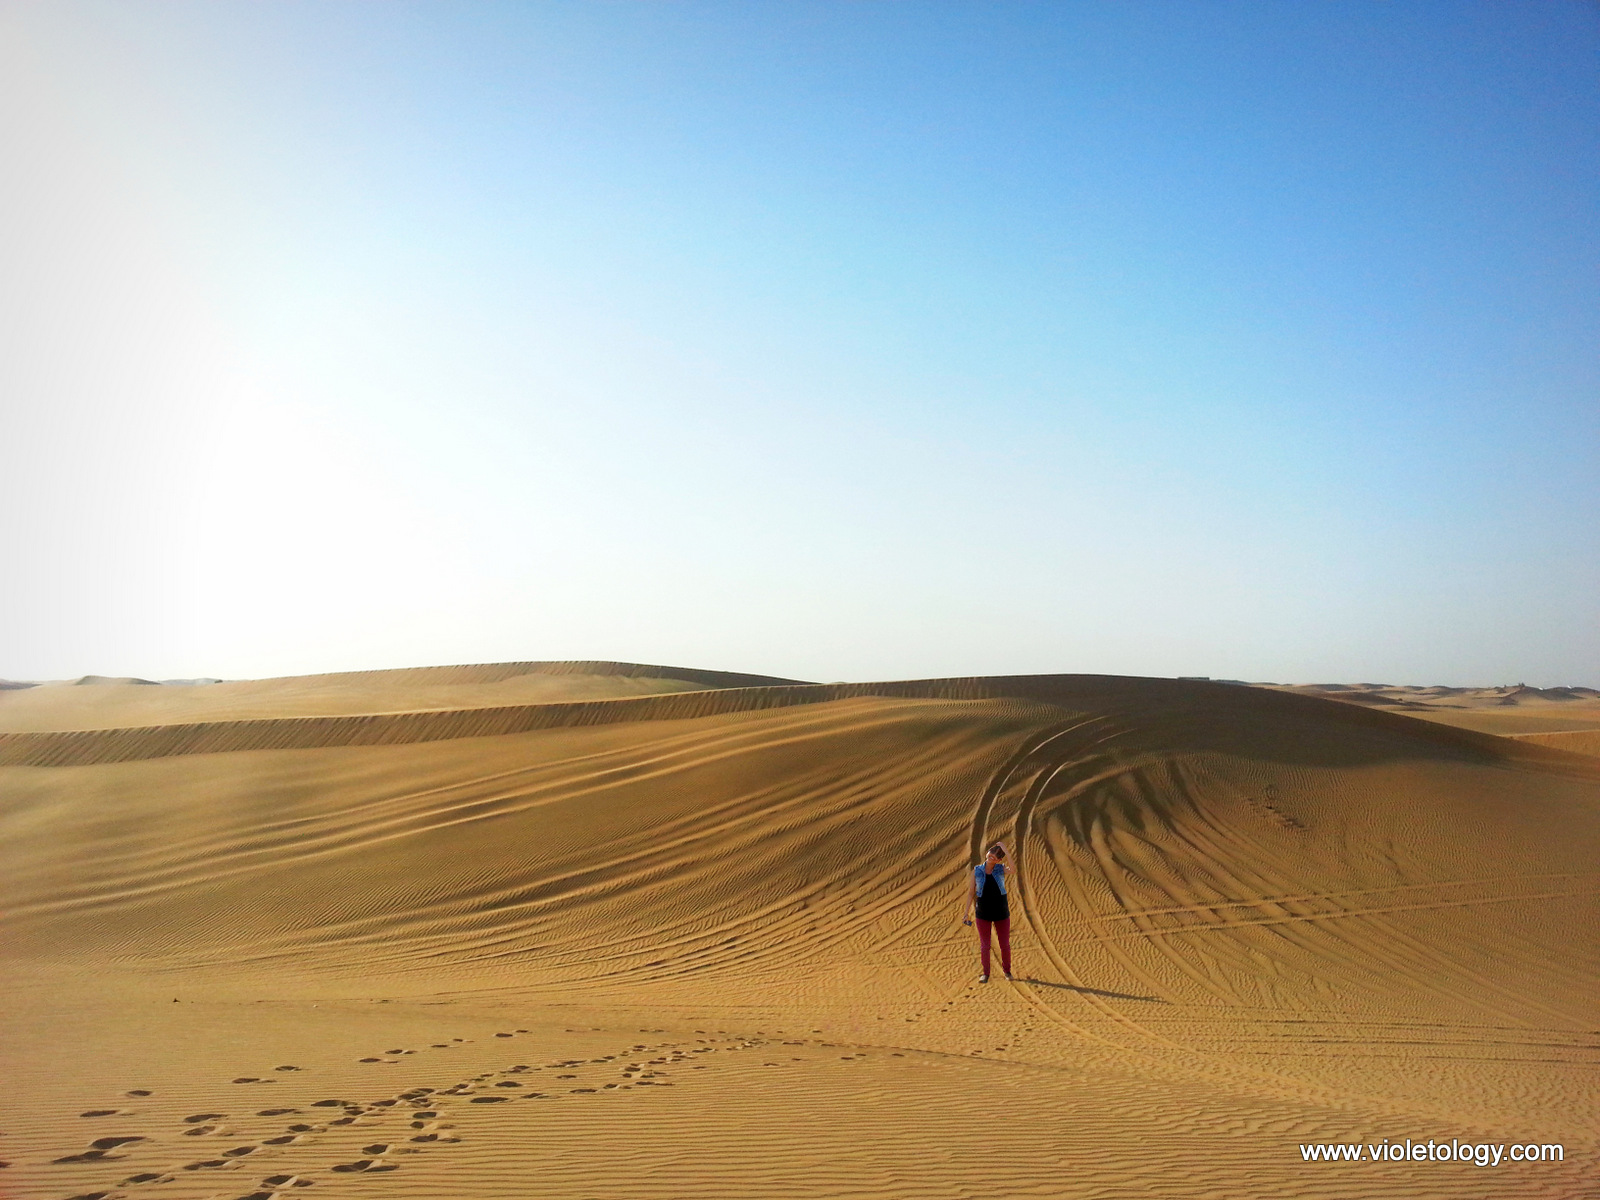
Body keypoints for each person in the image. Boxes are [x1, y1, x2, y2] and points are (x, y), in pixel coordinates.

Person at [962, 842, 1012, 982]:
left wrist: (1006, 851)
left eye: (995, 856)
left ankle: (1007, 972)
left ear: (999, 860)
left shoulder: (1000, 869)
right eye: (991, 853)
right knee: (985, 946)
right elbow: (971, 893)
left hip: (1001, 913)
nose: (991, 857)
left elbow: (1013, 870)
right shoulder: (977, 870)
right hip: (983, 913)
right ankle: (986, 973)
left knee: (1004, 945)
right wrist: (966, 912)